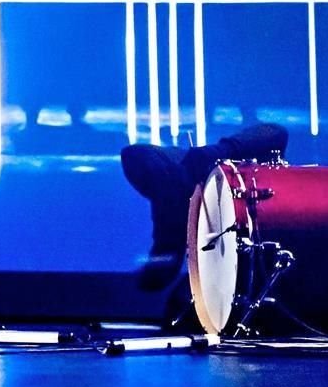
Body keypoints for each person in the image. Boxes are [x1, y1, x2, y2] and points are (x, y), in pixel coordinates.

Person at [120, 123, 289, 291]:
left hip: (209, 185)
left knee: (137, 157)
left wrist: (213, 154)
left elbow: (276, 132)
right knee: (135, 156)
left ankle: (169, 241)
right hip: (201, 184)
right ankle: (169, 240)